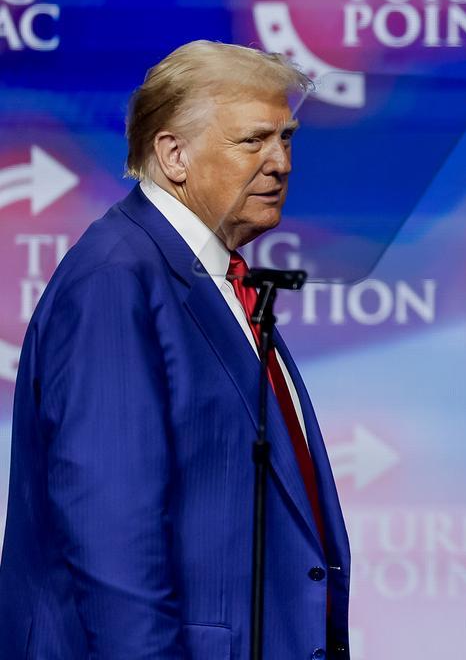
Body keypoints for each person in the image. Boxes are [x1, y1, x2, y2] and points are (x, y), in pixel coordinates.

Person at [0, 41, 350, 658]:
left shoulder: (206, 276)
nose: (280, 163)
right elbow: (110, 528)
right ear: (174, 154)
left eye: (287, 138)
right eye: (253, 141)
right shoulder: (116, 278)